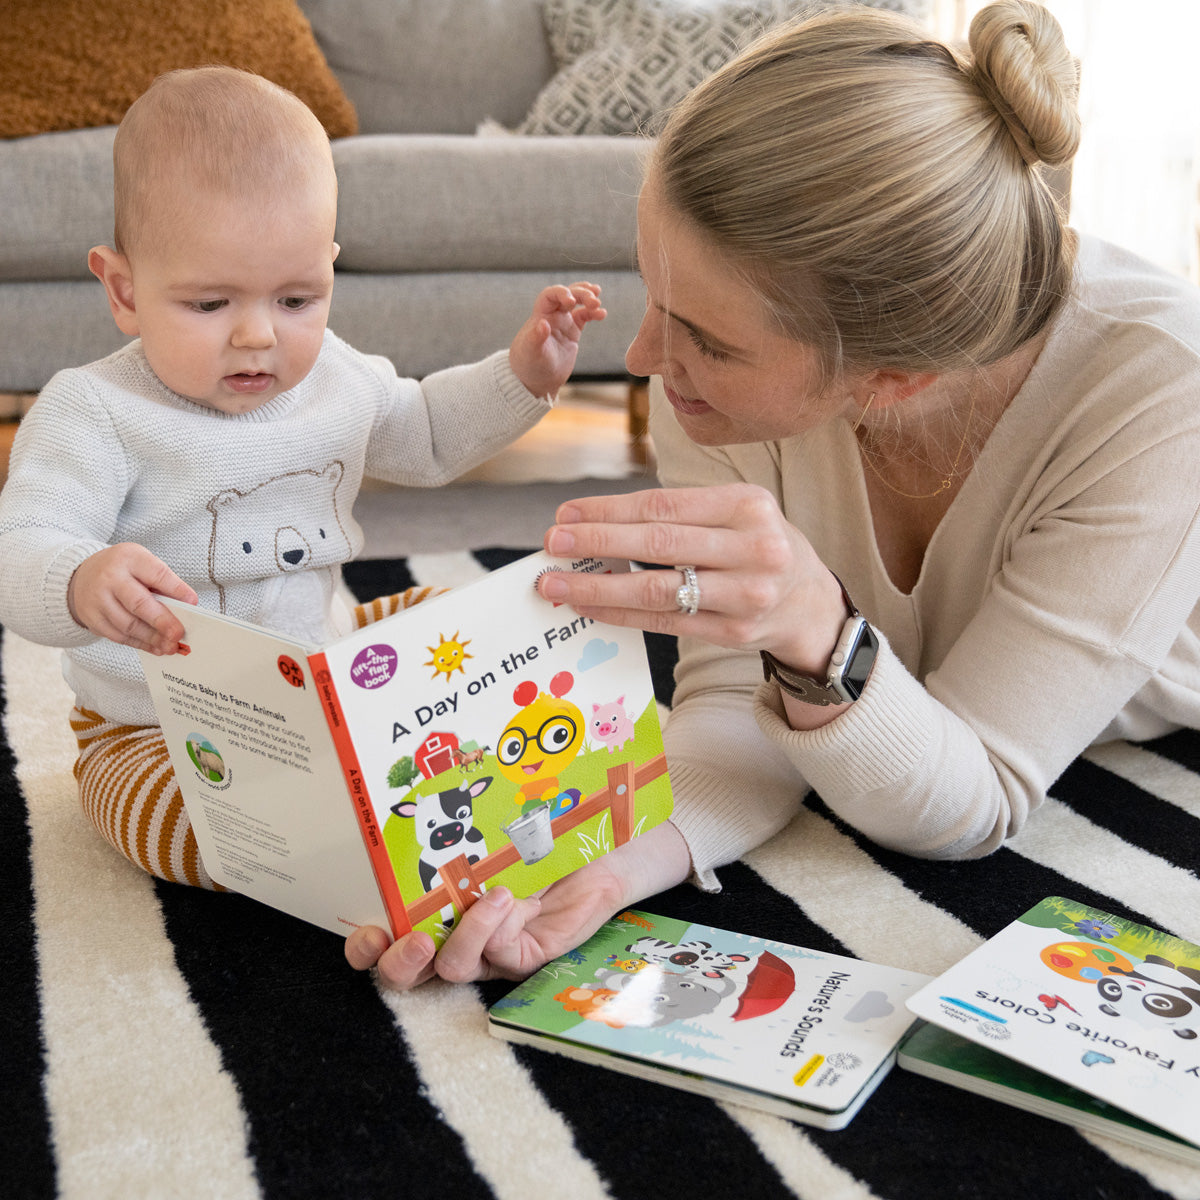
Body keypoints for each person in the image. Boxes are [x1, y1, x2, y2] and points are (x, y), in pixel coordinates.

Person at [347, 0, 1200, 990]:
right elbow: (731, 705)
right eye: (657, 298)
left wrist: (813, 627)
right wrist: (603, 868)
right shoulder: (703, 391)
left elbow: (972, 801)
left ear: (895, 380)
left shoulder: (1155, 390)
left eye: (707, 338)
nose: (642, 358)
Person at [0, 66, 605, 889]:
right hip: (163, 729)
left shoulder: (336, 380)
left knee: (486, 615)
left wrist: (524, 375)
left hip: (320, 678)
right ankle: (329, 834)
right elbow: (23, 543)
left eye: (296, 299)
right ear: (124, 290)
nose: (258, 336)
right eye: (210, 305)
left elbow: (426, 431)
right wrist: (77, 578)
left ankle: (367, 788)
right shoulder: (96, 411)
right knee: (188, 826)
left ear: (330, 269)